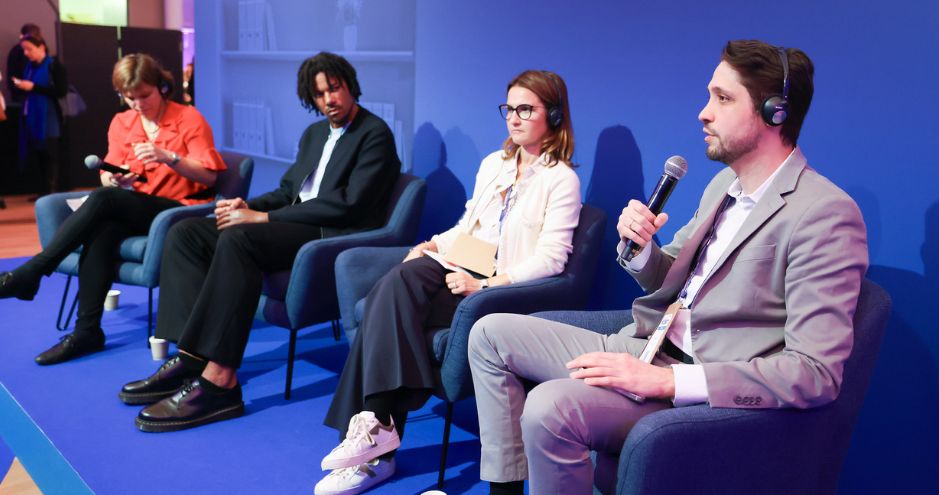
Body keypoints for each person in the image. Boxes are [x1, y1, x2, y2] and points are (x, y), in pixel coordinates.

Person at [468, 40, 869, 494]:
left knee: (549, 407)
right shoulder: (723, 185)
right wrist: (641, 249)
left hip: (692, 384)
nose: (704, 112)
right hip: (643, 344)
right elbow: (671, 276)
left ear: (775, 111)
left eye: (722, 98)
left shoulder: (825, 212)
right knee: (488, 333)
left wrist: (666, 380)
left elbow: (815, 373)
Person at [314, 70, 582, 495]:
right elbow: (468, 226)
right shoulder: (493, 164)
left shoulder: (560, 179)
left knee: (393, 296)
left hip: (500, 292)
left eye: (525, 109)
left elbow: (553, 259)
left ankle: (375, 445)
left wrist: (491, 284)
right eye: (508, 108)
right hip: (462, 267)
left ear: (552, 113)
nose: (513, 118)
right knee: (401, 277)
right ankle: (375, 431)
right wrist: (431, 243)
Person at [119, 52, 402, 434]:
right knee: (187, 233)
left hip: (329, 234)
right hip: (293, 223)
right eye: (319, 94)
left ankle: (220, 382)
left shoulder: (375, 134)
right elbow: (289, 190)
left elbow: (349, 205)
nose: (329, 100)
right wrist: (246, 205)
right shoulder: (315, 134)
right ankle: (191, 357)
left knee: (240, 238)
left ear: (350, 85)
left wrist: (264, 218)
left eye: (334, 89)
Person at [0, 53, 226, 364]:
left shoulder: (189, 118)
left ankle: (32, 271)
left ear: (161, 87)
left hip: (178, 210)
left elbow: (209, 175)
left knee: (104, 202)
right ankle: (87, 332)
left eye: (143, 95)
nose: (137, 104)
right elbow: (108, 174)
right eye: (128, 97)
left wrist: (169, 157)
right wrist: (114, 178)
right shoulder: (122, 122)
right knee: (103, 227)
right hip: (137, 205)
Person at [12, 34, 66, 195]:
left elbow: (61, 91)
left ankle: (51, 192)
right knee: (39, 156)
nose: (26, 53)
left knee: (50, 157)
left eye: (29, 49)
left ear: (41, 47)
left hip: (49, 118)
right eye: (24, 50)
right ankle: (43, 192)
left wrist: (33, 87)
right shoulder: (29, 66)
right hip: (32, 118)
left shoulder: (54, 65)